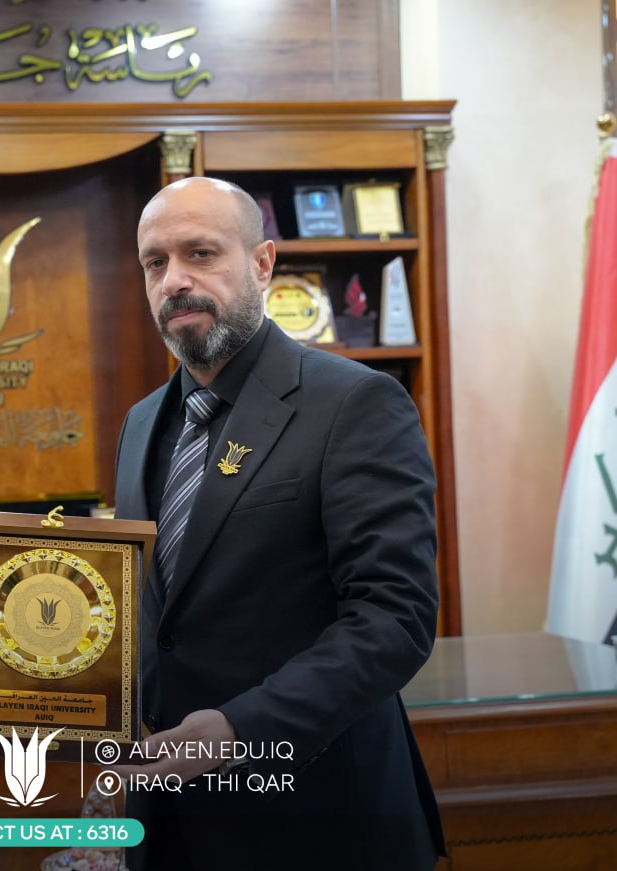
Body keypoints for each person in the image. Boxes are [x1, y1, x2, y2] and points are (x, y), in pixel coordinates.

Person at [112, 178, 444, 870]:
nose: (175, 280)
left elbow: (394, 618)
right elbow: (153, 619)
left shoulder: (357, 404)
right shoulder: (141, 423)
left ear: (263, 263)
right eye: (155, 262)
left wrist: (239, 730)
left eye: (201, 253)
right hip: (167, 820)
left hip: (318, 821)